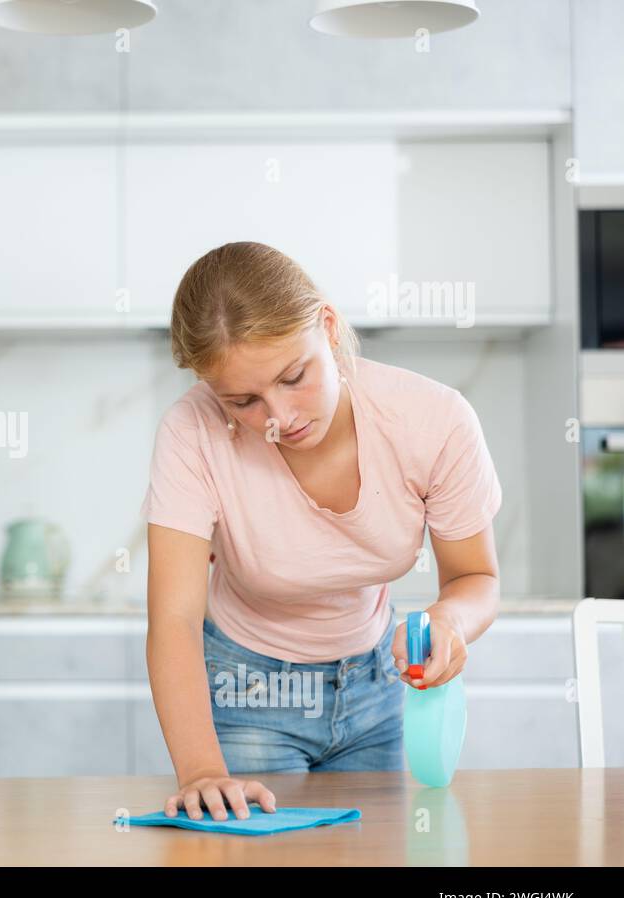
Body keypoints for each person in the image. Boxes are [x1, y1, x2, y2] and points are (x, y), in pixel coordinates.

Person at [142, 241, 501, 821]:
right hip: (247, 691)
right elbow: (175, 618)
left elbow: (476, 577)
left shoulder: (433, 421)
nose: (279, 419)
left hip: (378, 686)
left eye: (293, 377)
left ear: (328, 326)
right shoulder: (191, 434)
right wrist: (202, 771)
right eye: (243, 401)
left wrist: (450, 621)